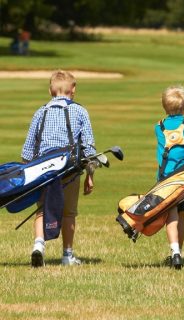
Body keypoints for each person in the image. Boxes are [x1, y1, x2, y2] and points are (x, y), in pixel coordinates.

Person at [22, 70, 96, 267]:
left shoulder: (40, 112)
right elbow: (89, 148)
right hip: (69, 170)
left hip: (42, 170)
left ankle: (39, 246)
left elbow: (28, 151)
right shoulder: (80, 111)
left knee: (41, 210)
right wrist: (90, 175)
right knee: (68, 212)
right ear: (73, 90)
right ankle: (67, 255)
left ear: (50, 91)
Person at [156, 85, 184, 269]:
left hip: (166, 177)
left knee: (170, 215)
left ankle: (174, 252)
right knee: (182, 214)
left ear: (165, 107)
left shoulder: (159, 126)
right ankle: (179, 251)